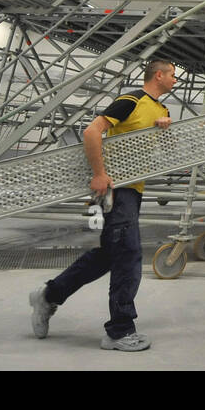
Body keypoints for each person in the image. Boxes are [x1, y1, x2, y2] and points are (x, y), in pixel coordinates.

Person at [29, 59, 176, 351]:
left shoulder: (163, 110)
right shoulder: (131, 100)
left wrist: (165, 129)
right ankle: (119, 331)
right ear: (158, 75)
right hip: (116, 189)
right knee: (129, 254)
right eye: (172, 75)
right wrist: (99, 174)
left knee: (110, 255)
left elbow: (168, 152)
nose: (175, 80)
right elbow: (92, 132)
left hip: (133, 190)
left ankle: (49, 295)